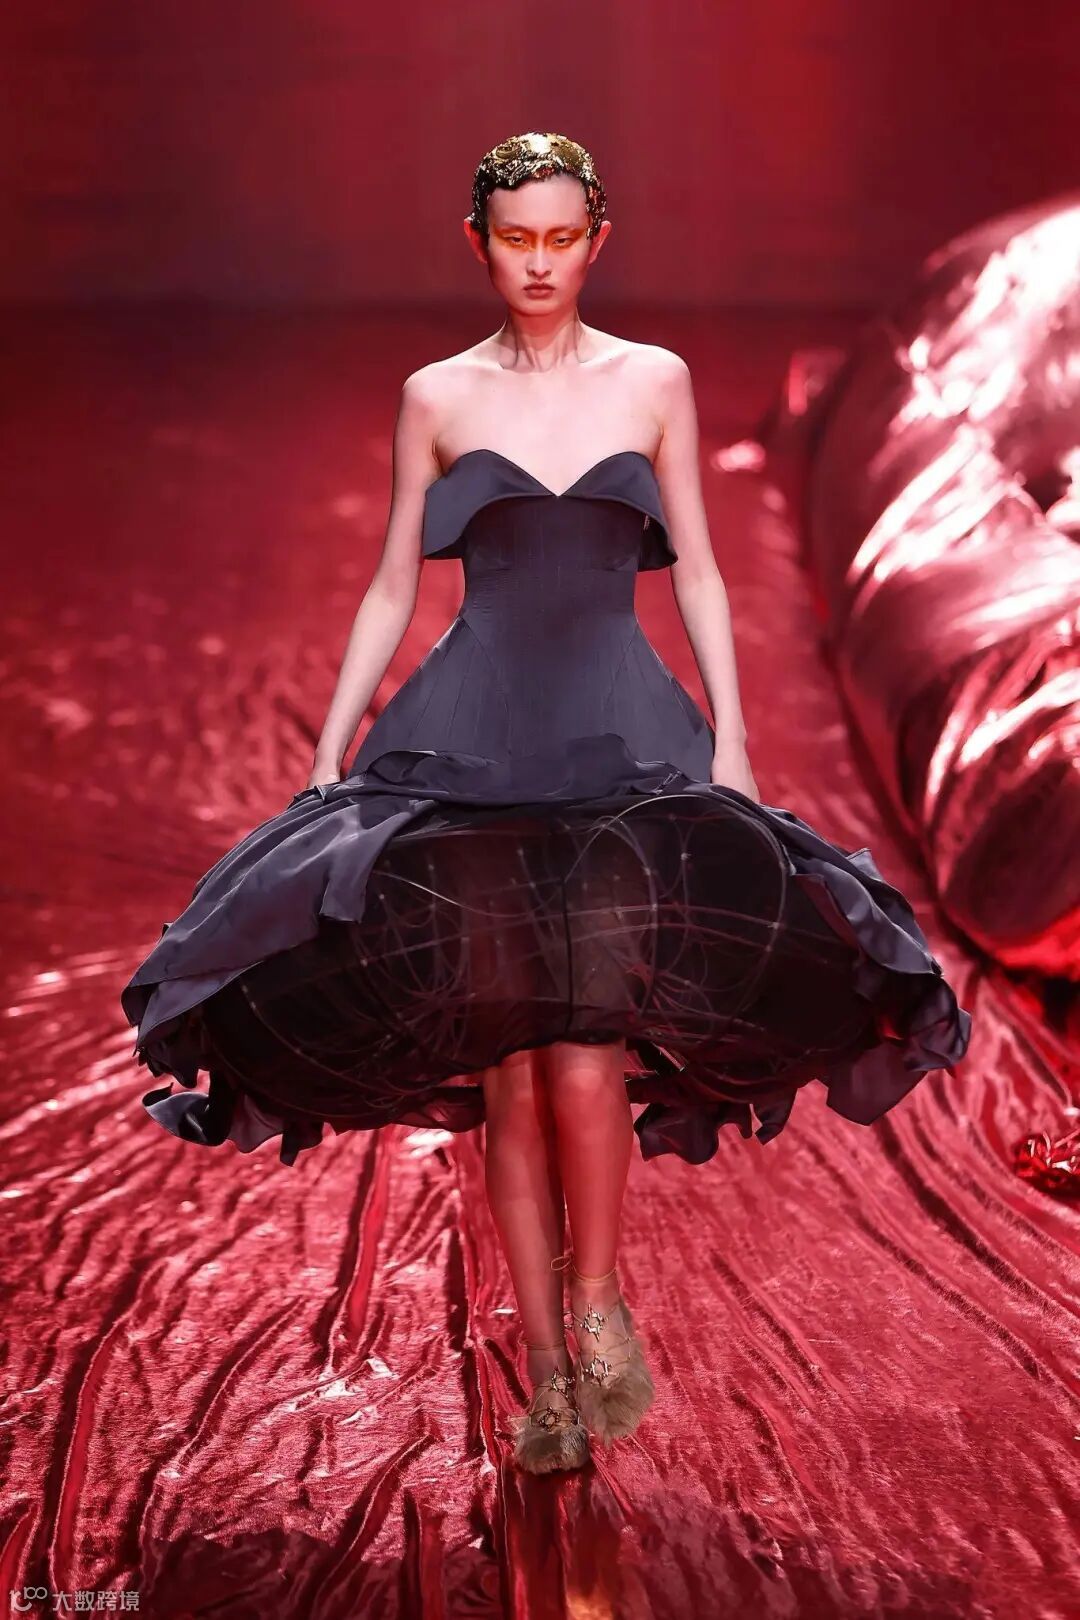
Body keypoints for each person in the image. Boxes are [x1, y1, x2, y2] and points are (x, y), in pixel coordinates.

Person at [121, 132, 972, 1475]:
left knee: (585, 1053)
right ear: (479, 244)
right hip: (469, 740)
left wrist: (735, 741)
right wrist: (333, 744)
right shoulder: (436, 395)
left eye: (561, 237)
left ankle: (598, 1307)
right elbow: (393, 585)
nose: (538, 261)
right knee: (513, 1070)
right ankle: (547, 1376)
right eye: (515, 237)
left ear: (595, 242)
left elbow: (699, 573)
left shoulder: (654, 381)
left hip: (621, 739)